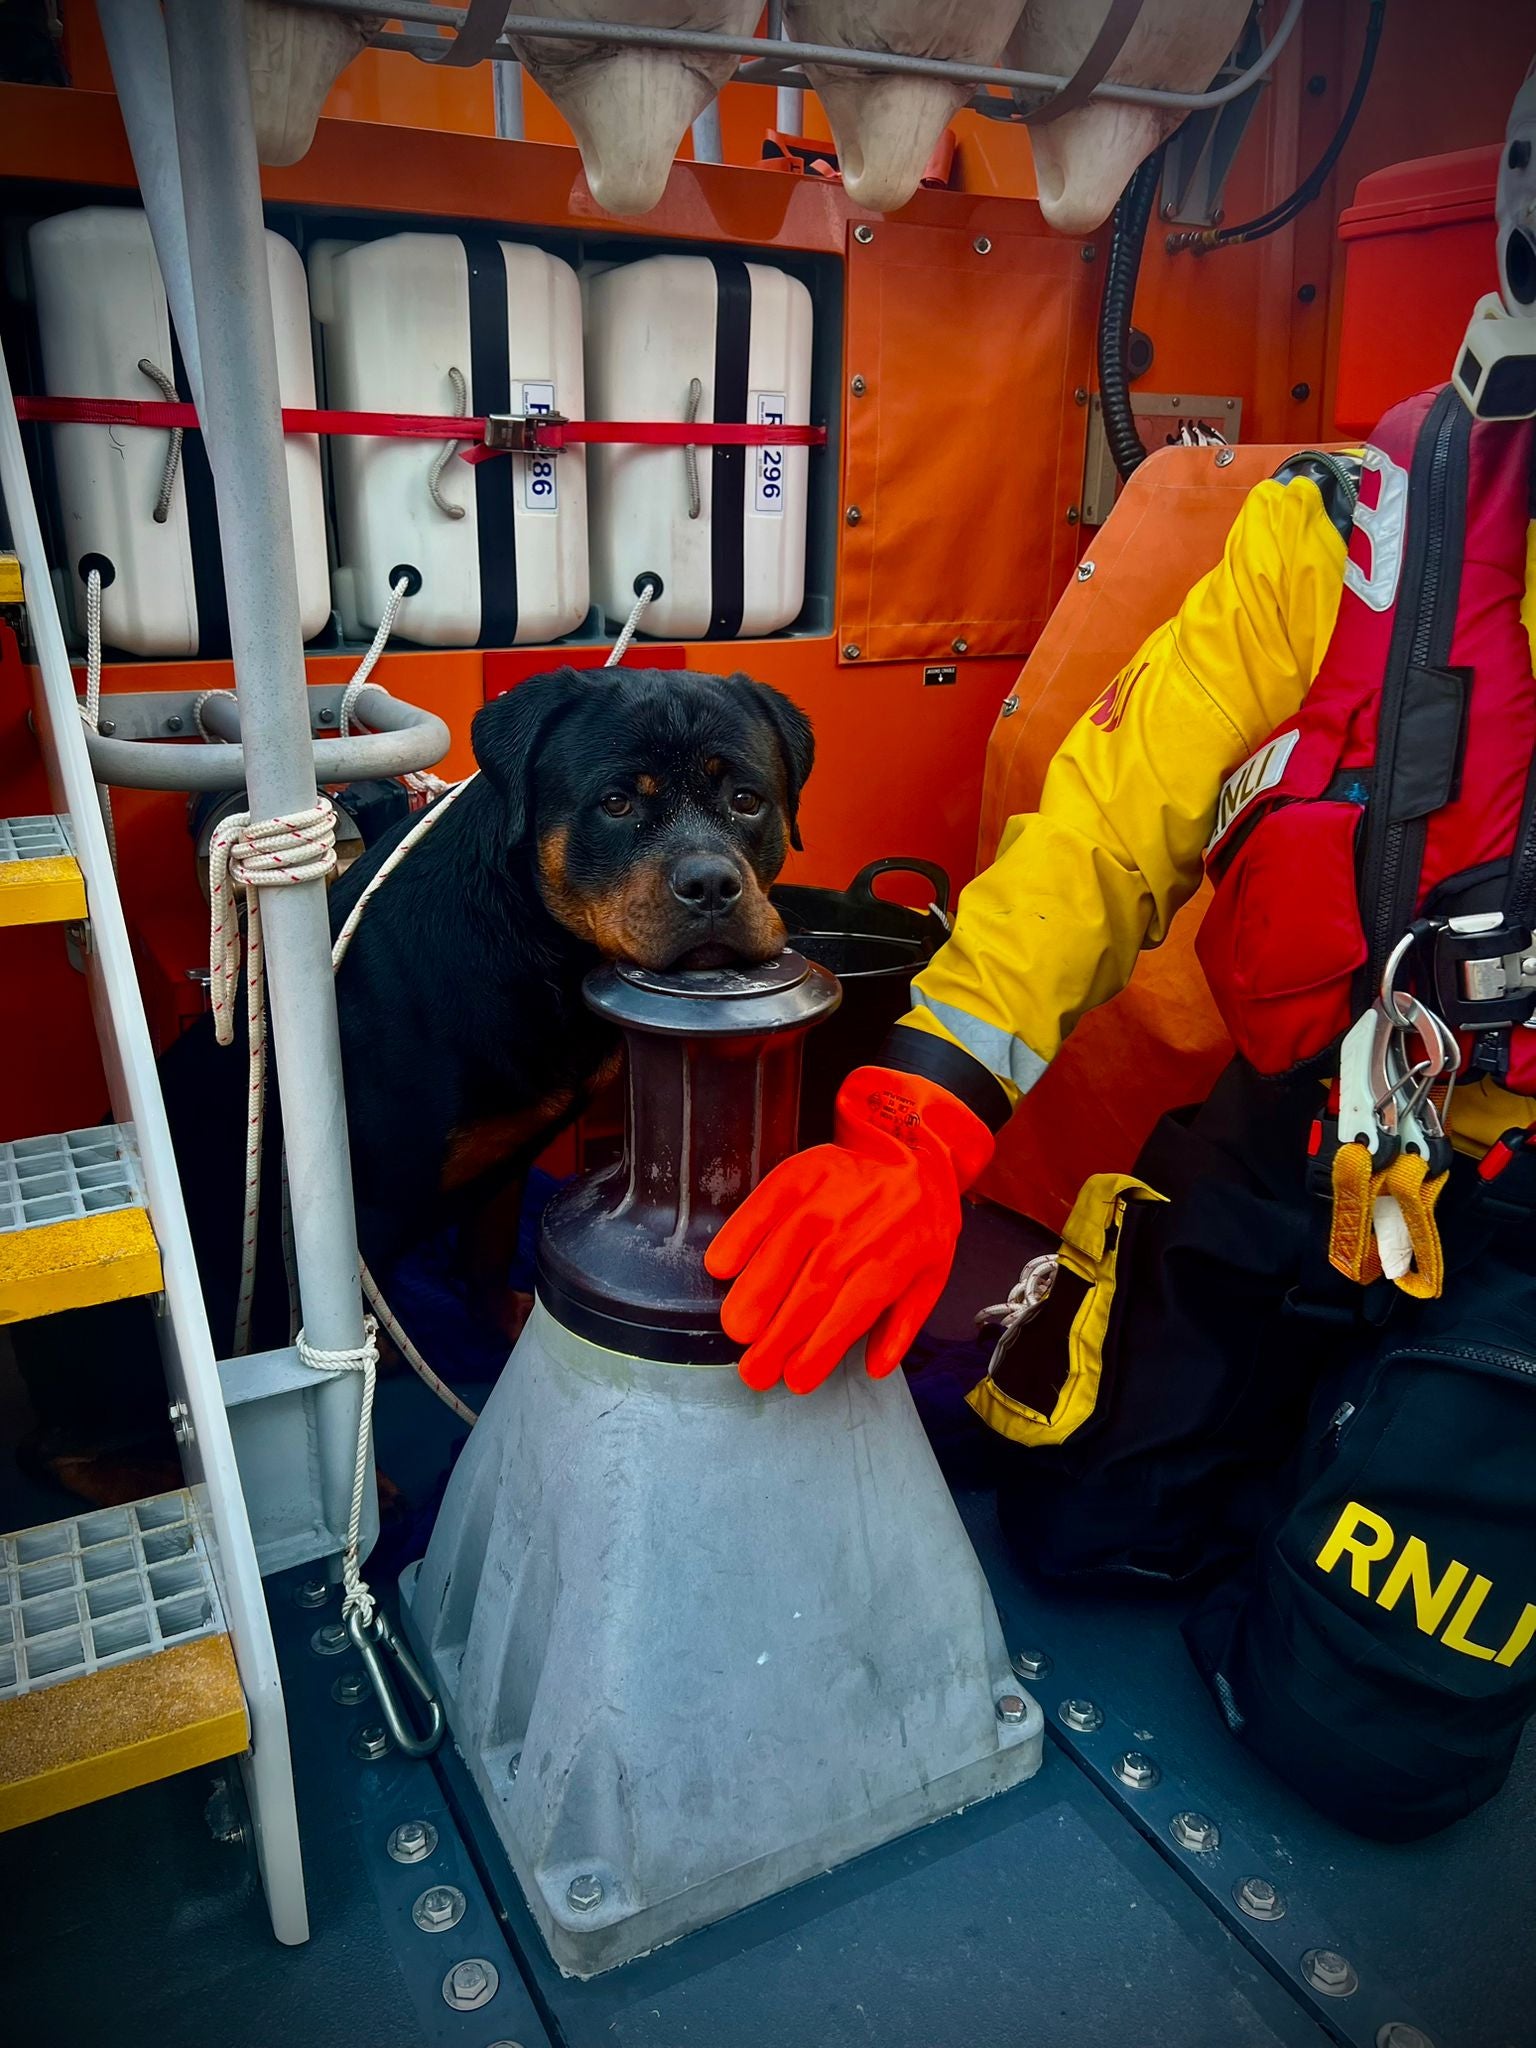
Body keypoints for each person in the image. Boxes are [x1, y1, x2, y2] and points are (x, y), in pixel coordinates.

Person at [707, 58, 1536, 1844]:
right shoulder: (1348, 535)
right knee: (1085, 1533)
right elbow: (1106, 825)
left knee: (1367, 1747)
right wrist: (916, 1122)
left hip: (1526, 1210)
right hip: (1329, 1120)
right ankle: (1317, 1436)